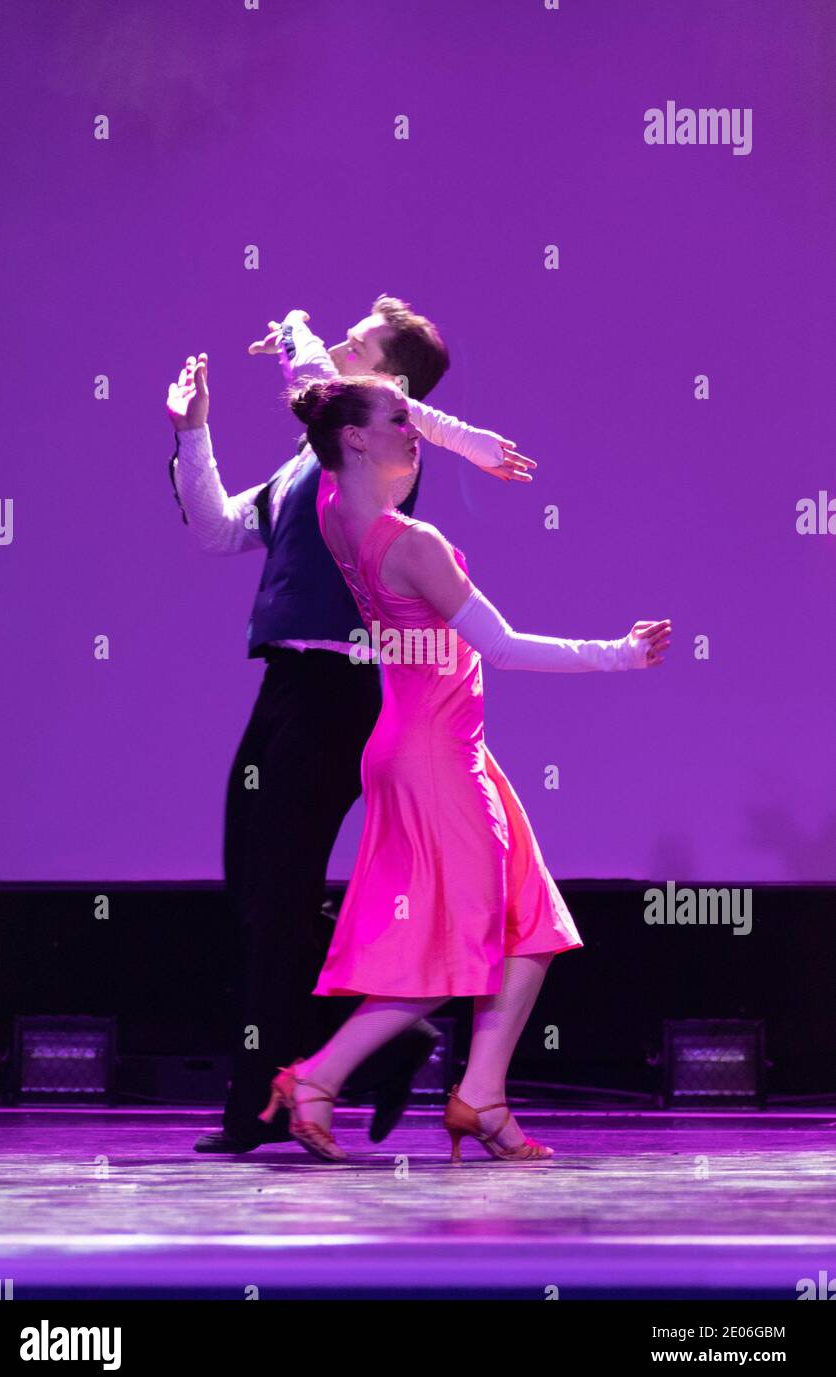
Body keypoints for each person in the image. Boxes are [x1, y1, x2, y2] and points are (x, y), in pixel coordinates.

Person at [258, 375, 672, 1164]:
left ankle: (483, 1098)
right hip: (436, 759)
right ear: (354, 438)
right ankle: (317, 1078)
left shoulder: (330, 514)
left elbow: (333, 394)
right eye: (399, 421)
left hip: (430, 746)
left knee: (532, 926)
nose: (416, 432)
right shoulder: (413, 543)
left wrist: (454, 436)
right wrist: (618, 654)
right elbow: (504, 647)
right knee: (464, 944)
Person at [164, 297, 538, 1154]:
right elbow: (220, 529)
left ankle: (267, 1100)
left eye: (356, 342)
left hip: (343, 688)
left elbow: (319, 378)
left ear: (391, 393)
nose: (336, 342)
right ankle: (380, 1045)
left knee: (275, 902)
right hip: (287, 686)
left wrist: (291, 320)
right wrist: (193, 434)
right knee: (258, 900)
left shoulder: (376, 455)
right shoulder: (313, 463)